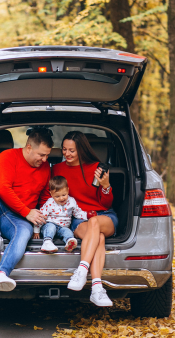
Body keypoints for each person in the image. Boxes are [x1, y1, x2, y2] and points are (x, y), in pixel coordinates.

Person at [0, 129, 53, 292]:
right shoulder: (7, 157)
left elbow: (45, 198)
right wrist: (27, 212)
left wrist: (45, 218)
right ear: (29, 148)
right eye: (41, 155)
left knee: (24, 233)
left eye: (47, 156)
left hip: (20, 218)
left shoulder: (45, 168)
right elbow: (2, 188)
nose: (45, 160)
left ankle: (1, 273)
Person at [52, 131, 118, 307]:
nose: (67, 154)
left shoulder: (97, 168)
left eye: (72, 150)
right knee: (99, 238)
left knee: (95, 222)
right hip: (78, 218)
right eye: (64, 150)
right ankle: (97, 288)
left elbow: (105, 203)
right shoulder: (57, 169)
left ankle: (81, 270)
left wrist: (106, 186)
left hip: (104, 216)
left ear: (81, 150)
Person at [33, 176, 86, 253]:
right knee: (50, 228)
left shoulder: (71, 202)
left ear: (68, 190)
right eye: (57, 196)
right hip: (50, 224)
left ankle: (69, 242)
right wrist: (36, 230)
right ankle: (47, 242)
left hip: (63, 227)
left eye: (64, 195)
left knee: (68, 232)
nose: (61, 198)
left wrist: (87, 216)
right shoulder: (50, 203)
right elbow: (41, 216)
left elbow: (77, 213)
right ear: (51, 193)